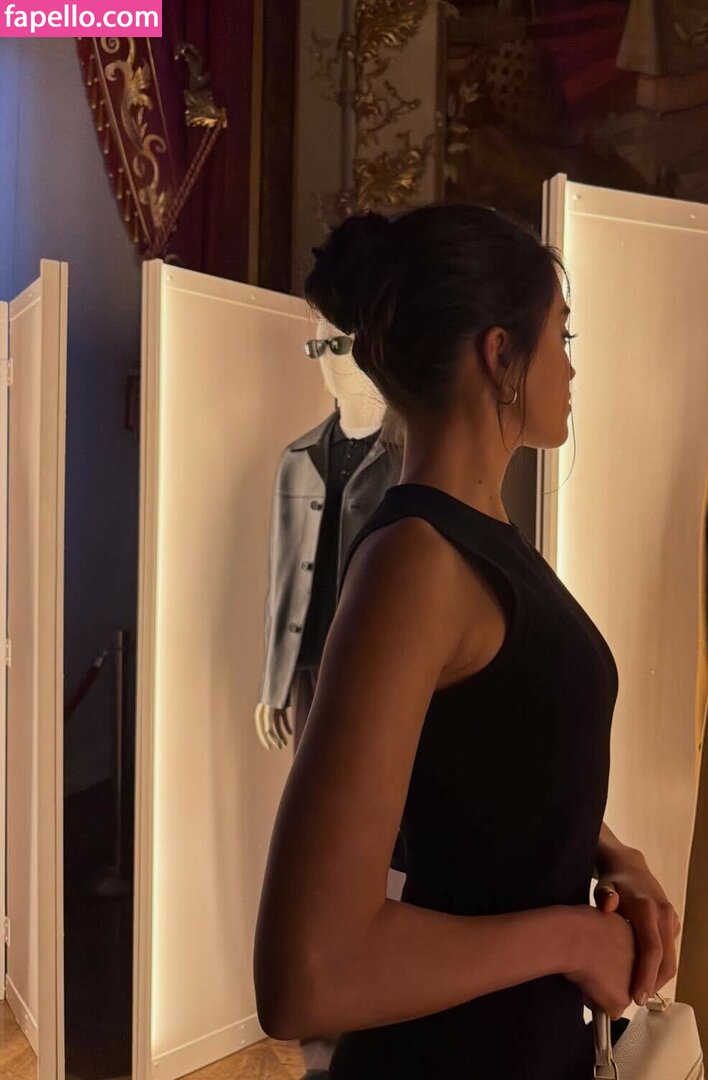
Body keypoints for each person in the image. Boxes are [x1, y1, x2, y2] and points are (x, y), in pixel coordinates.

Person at [253, 203, 679, 1079]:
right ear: (499, 354)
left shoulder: (473, 538)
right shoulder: (416, 561)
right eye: (562, 335)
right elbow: (307, 975)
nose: (571, 363)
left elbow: (489, 767)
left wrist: (609, 851)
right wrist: (571, 938)